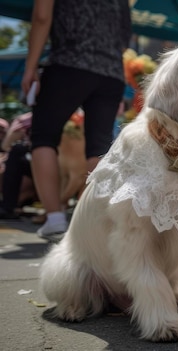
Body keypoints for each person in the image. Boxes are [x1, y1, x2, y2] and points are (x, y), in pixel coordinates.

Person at [21, 0, 131, 242]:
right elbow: (124, 41)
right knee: (99, 146)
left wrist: (30, 67)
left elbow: (41, 17)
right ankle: (98, 221)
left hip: (68, 64)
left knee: (43, 137)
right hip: (111, 73)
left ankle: (55, 220)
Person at [0, 113, 36, 219]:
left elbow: (5, 146)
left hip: (48, 164)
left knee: (17, 150)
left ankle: (9, 206)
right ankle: (9, 206)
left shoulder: (25, 121)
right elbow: (6, 146)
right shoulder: (24, 121)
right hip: (33, 164)